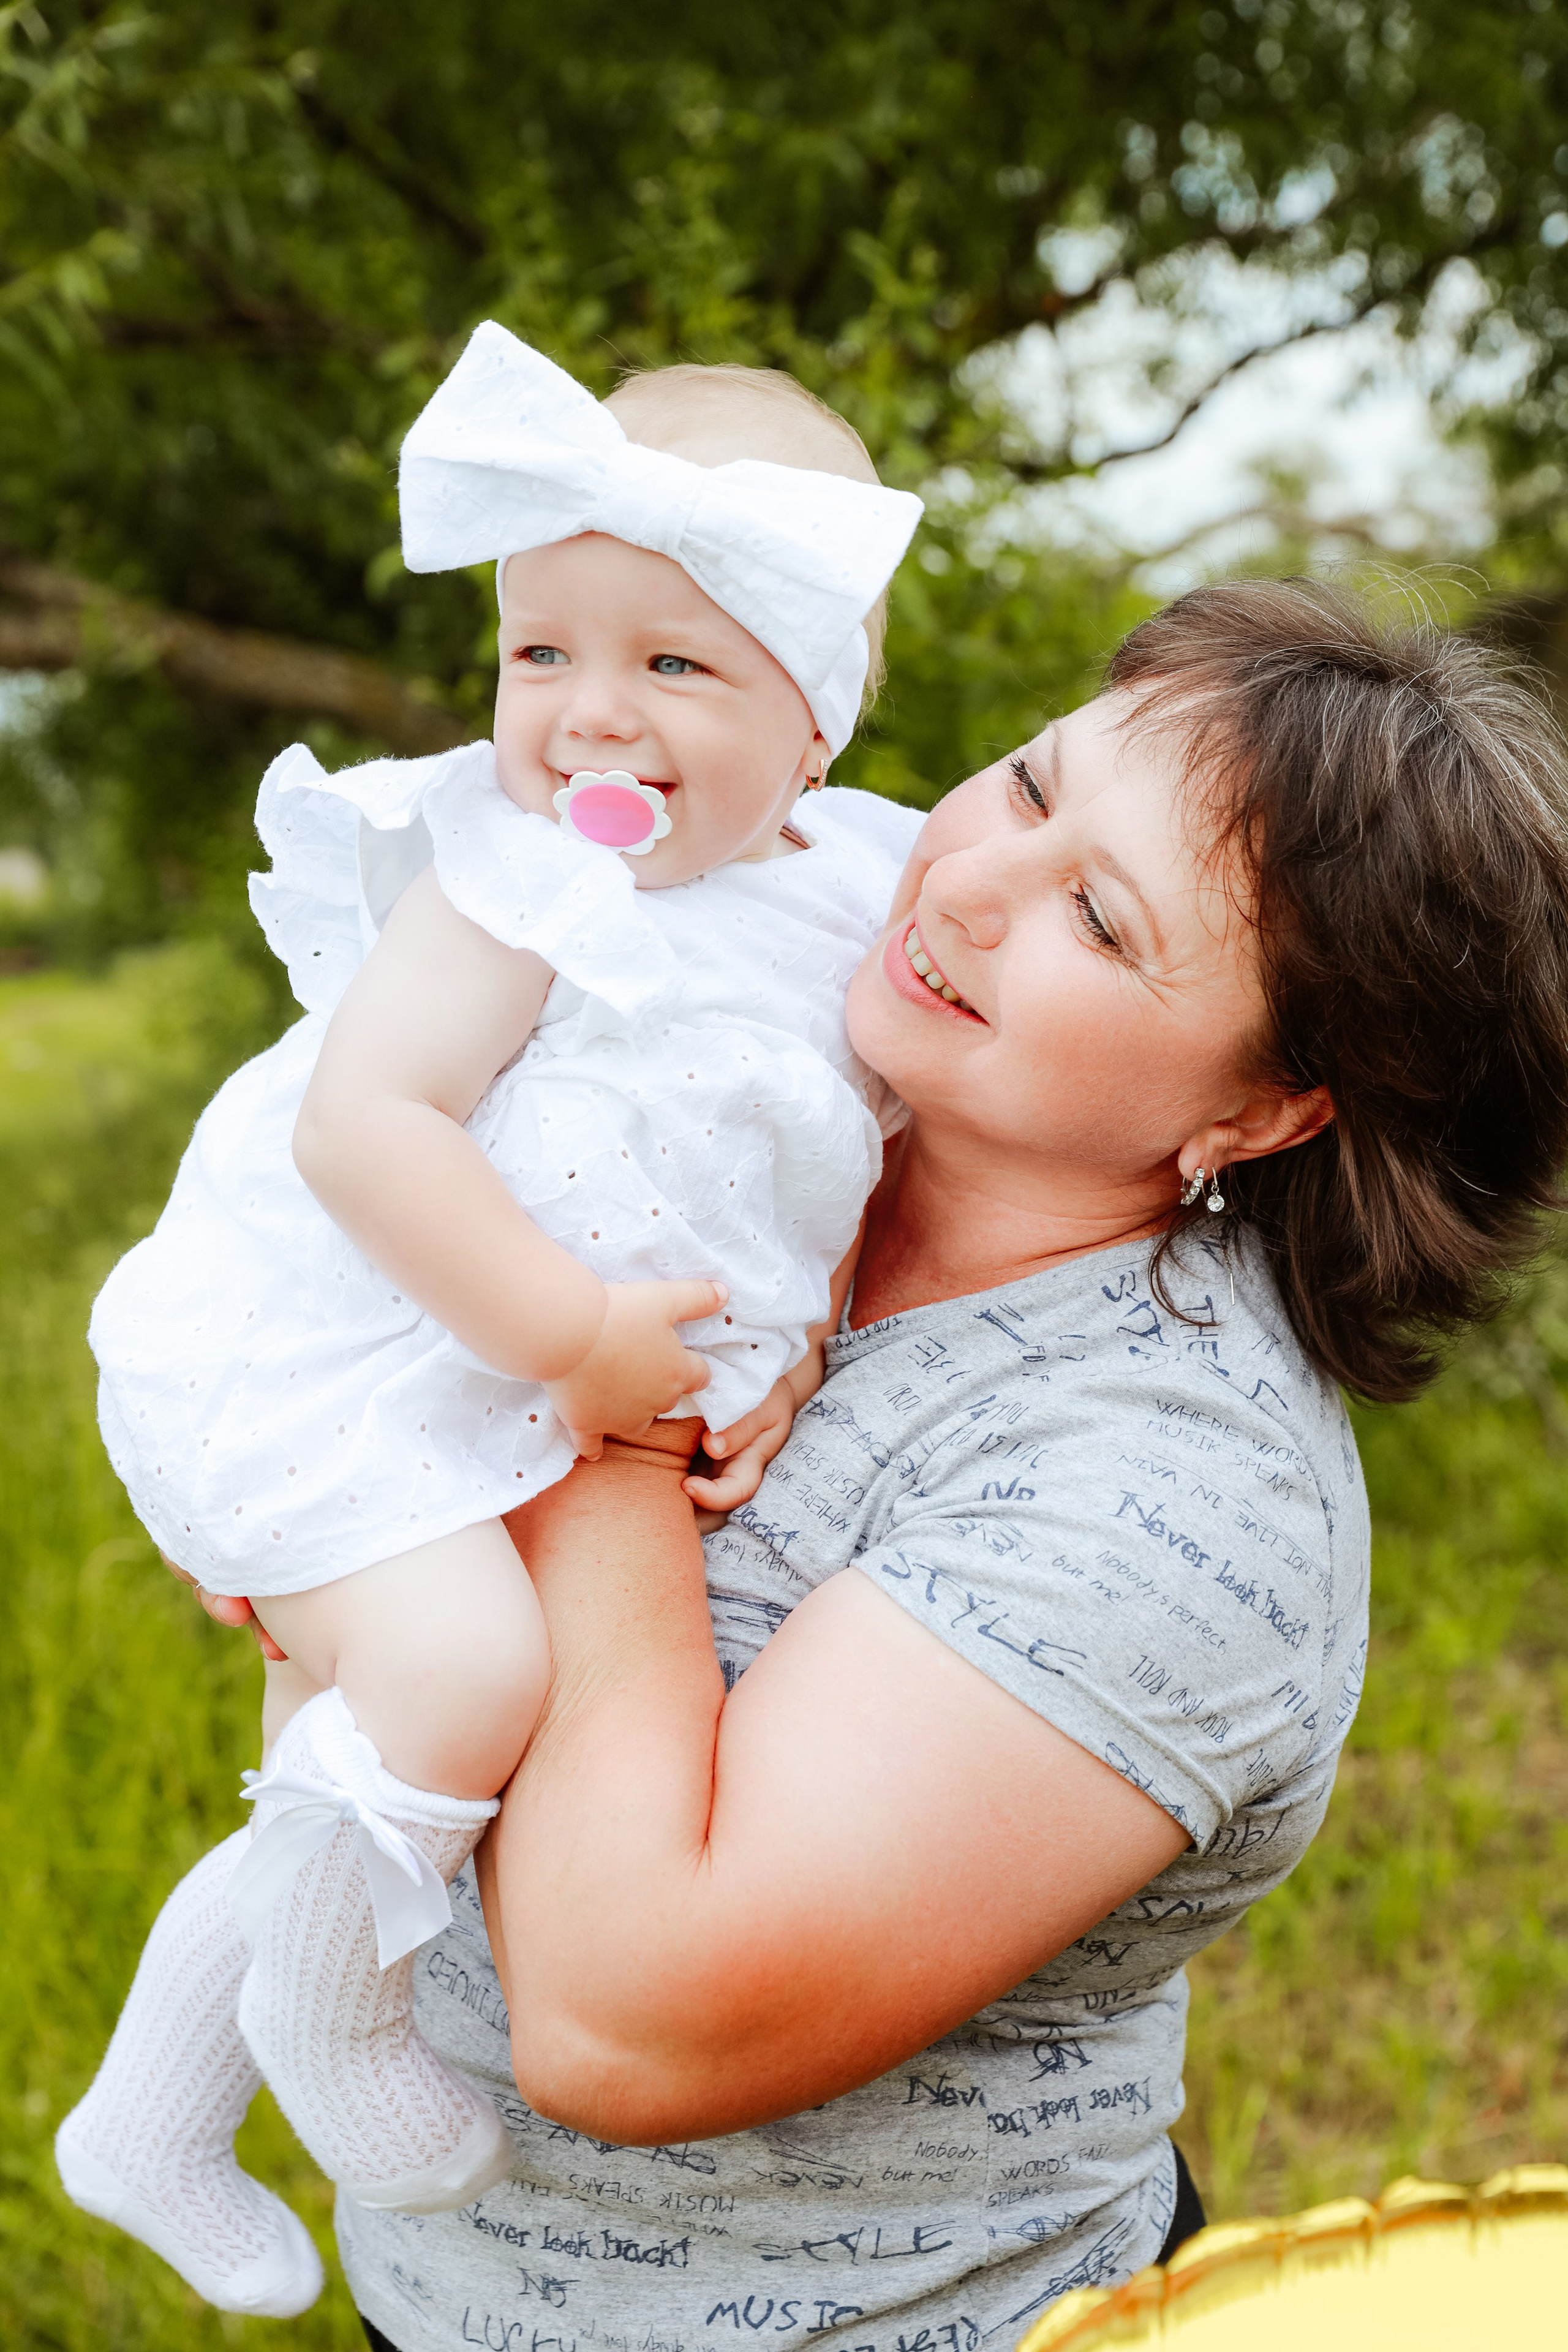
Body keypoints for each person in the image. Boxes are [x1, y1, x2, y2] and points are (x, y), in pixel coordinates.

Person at [319, 578, 1565, 2350]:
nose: (965, 880)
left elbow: (624, 2019)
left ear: (1267, 1109)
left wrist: (583, 1392)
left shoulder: (1175, 1494)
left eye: (1104, 923)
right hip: (447, 2292)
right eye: (1035, 785)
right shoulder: (775, 1080)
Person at [54, 324, 924, 2314]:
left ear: (821, 720)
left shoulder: (853, 889)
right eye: (546, 653)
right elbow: (371, 1132)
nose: (591, 718)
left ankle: (152, 2111)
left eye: (674, 663)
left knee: (344, 1776)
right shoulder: (512, 873)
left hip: (518, 1374)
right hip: (352, 1342)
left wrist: (796, 1342)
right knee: (455, 1677)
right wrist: (572, 1341)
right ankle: (331, 2038)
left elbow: (836, 1146)